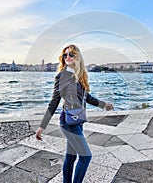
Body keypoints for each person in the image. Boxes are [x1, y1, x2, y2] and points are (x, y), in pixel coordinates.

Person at [35, 44, 113, 183]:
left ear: (77, 56)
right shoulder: (62, 76)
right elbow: (54, 101)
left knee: (71, 156)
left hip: (78, 120)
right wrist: (42, 126)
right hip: (68, 122)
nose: (67, 57)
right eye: (65, 55)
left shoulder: (79, 75)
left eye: (71, 54)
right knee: (86, 156)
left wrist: (104, 105)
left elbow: (87, 98)